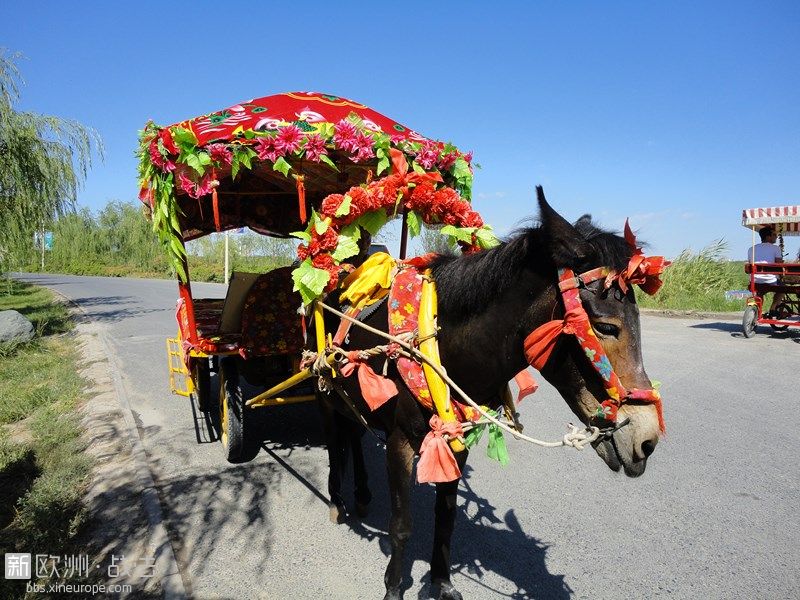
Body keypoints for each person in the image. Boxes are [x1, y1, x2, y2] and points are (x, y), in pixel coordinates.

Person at [747, 226, 784, 317]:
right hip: (771, 281)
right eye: (774, 235)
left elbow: (750, 263)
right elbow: (779, 265)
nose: (776, 237)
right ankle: (773, 308)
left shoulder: (751, 249)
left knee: (759, 292)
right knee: (782, 289)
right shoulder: (775, 248)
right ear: (768, 237)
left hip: (754, 281)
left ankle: (757, 311)